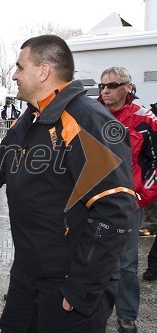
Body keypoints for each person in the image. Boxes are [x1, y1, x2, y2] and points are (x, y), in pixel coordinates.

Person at [0, 35, 136, 332]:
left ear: (43, 71)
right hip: (28, 273)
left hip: (68, 279)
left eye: (19, 67)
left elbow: (115, 208)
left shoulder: (87, 121)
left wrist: (83, 285)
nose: (14, 75)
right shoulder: (29, 119)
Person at [98, 66, 157, 333]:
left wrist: (141, 196)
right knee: (88, 257)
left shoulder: (145, 119)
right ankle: (90, 309)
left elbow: (155, 163)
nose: (105, 91)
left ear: (128, 87)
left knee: (127, 263)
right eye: (102, 86)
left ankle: (126, 314)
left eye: (111, 86)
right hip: (92, 201)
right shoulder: (90, 114)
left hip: (126, 204)